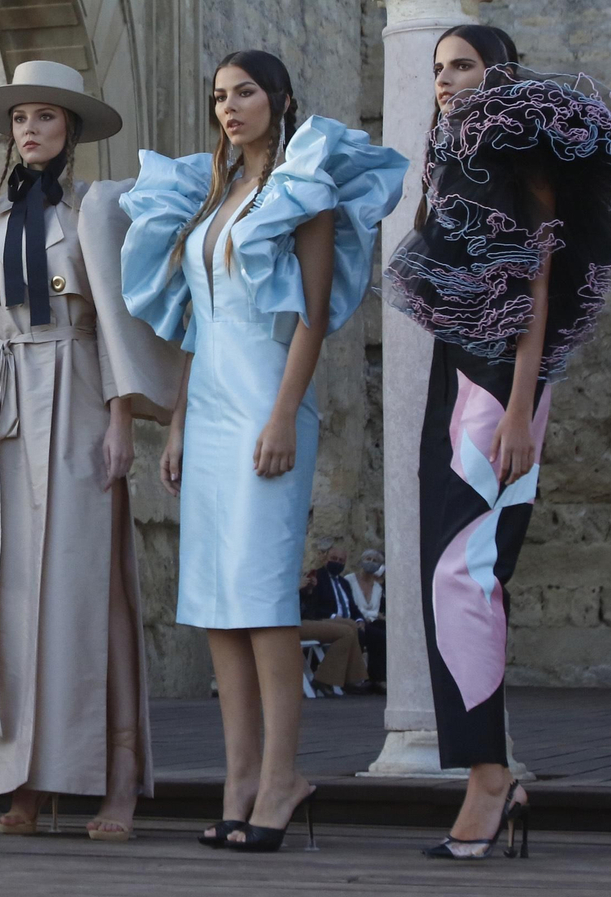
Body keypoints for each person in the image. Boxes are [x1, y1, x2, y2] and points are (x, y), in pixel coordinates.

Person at [120, 50, 406, 852]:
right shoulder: (212, 196)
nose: (230, 107)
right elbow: (190, 324)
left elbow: (314, 317)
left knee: (263, 599)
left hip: (269, 406)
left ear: (279, 99)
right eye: (218, 95)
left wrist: (283, 416)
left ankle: (283, 775)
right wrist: (175, 422)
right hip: (207, 410)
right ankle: (238, 781)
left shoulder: (301, 192)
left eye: (244, 92)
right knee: (216, 604)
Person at [0, 60, 179, 842]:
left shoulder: (95, 213)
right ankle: (22, 778)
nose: (31, 130)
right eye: (21, 119)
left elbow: (115, 322)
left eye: (46, 118)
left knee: (89, 595)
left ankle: (114, 781)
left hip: (82, 395)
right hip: (6, 414)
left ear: (71, 131)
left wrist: (123, 419)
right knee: (5, 595)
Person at [385, 25, 611, 860]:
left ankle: (488, 778)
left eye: (462, 65)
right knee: (452, 572)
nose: (446, 80)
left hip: (500, 384)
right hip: (456, 375)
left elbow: (539, 282)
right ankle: (492, 772)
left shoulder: (519, 152)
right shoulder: (453, 155)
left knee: (466, 573)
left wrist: (522, 407)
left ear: (499, 70)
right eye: (437, 69)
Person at [298, 544, 373, 696]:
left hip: (308, 620)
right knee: (347, 631)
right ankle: (326, 679)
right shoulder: (318, 576)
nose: (337, 563)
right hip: (300, 622)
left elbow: (352, 606)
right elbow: (312, 609)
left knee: (354, 626)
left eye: (340, 560)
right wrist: (302, 589)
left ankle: (353, 679)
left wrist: (360, 619)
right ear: (325, 558)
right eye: (333, 559)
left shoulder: (344, 583)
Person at [345, 549, 386, 685]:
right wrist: (371, 615)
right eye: (368, 559)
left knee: (386, 632)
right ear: (361, 561)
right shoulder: (349, 581)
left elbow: (374, 610)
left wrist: (374, 616)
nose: (371, 562)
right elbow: (350, 605)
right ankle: (365, 678)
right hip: (354, 620)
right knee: (379, 636)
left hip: (371, 622)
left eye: (375, 561)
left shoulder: (378, 588)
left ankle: (378, 679)